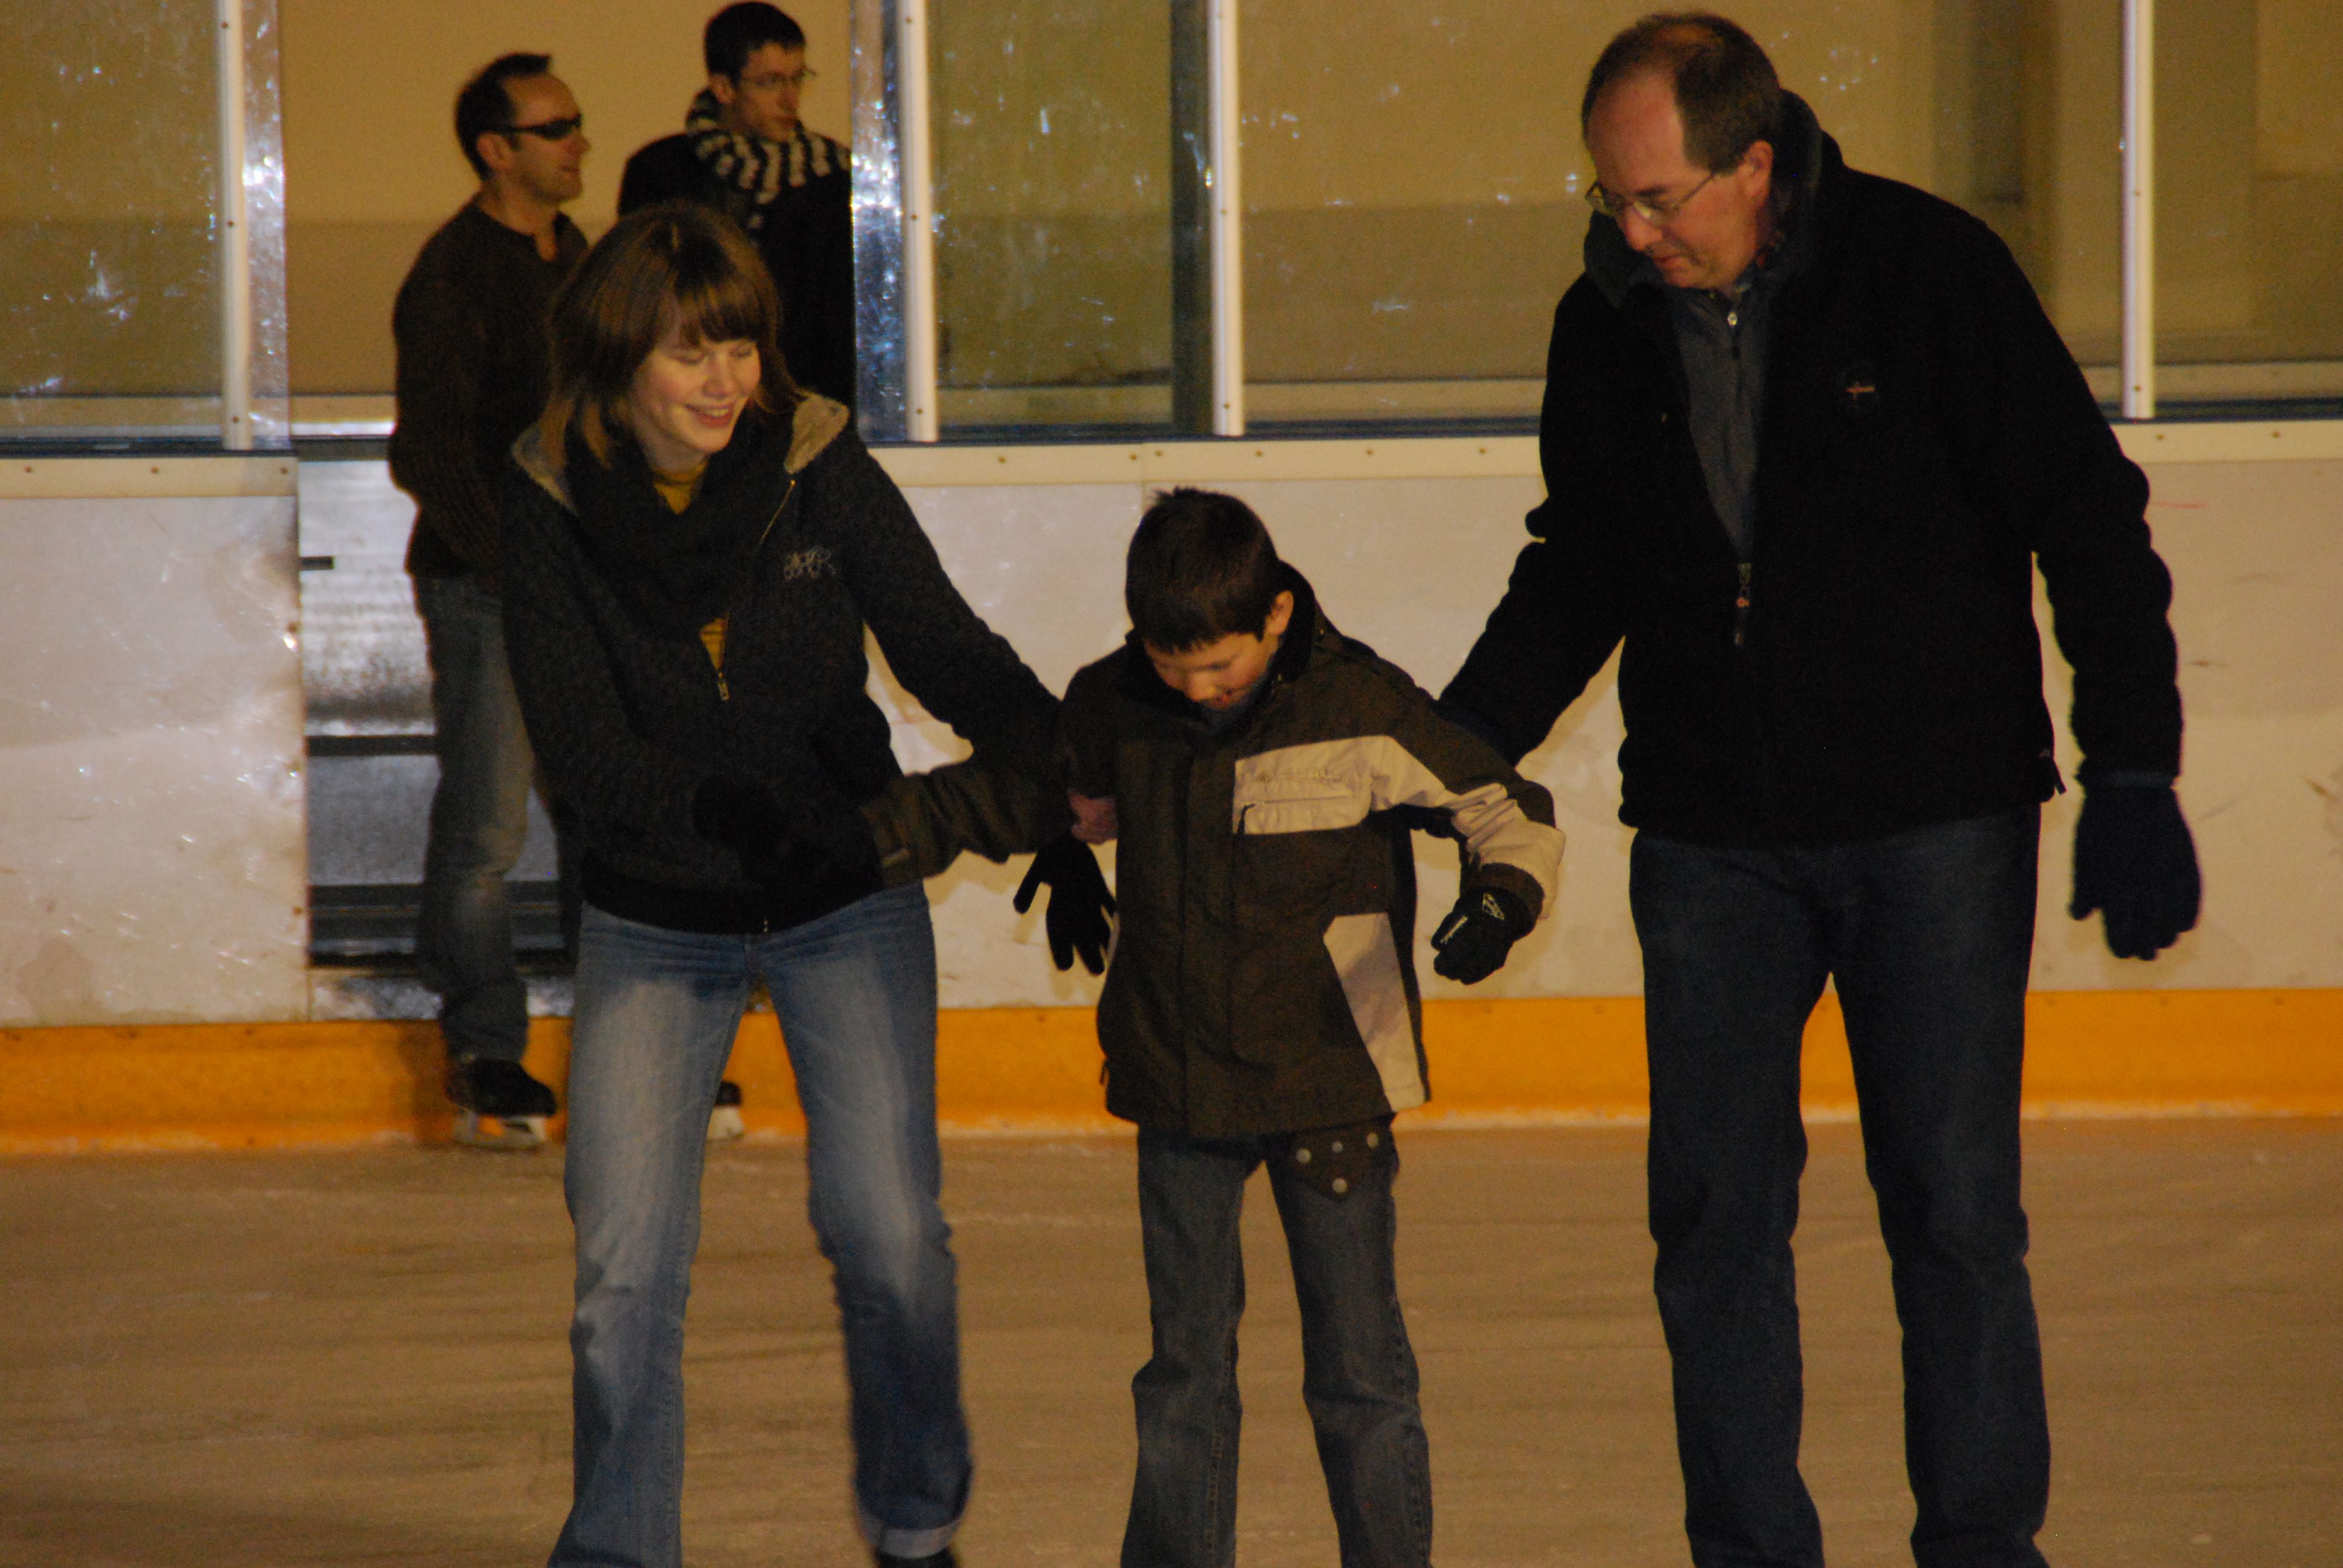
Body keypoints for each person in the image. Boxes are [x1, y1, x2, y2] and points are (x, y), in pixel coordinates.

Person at [1438, 14, 2201, 1568]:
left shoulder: (1930, 273)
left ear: (1757, 163)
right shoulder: (1607, 321)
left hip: (1937, 824)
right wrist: (1450, 754)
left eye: (1659, 198)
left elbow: (2090, 518)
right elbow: (1575, 569)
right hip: (1714, 843)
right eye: (1612, 199)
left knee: (1954, 1211)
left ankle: (1981, 1543)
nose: (1633, 231)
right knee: (1714, 1222)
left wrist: (2132, 763)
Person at [497, 201, 1092, 1568]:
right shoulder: (544, 497)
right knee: (622, 1277)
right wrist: (713, 807)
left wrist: (1067, 773)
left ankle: (915, 1519)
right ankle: (620, 1548)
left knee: (889, 1241)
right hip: (654, 914)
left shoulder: (816, 460)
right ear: (617, 358)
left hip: (840, 893)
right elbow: (583, 748)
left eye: (742, 348)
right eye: (690, 352)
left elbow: (945, 644)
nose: (725, 382)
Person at [863, 488, 1565, 1568]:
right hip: (1180, 1081)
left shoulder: (1359, 706)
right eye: (1171, 663)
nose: (1197, 689)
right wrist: (867, 837)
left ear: (1276, 613)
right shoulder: (1116, 703)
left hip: (1330, 1081)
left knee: (1360, 1374)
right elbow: (1019, 792)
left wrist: (1506, 893)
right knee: (1184, 1375)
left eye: (1221, 667)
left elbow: (1500, 803)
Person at [388, 51, 589, 1150]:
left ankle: (633, 1038)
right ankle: (485, 1049)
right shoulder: (455, 275)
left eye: (576, 123)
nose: (577, 144)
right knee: (488, 827)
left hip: (584, 589)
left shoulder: (581, 261)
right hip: (489, 590)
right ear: (496, 149)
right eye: (554, 128)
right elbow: (428, 449)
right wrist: (515, 567)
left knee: (606, 809)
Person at [619, 2, 856, 406]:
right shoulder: (660, 172)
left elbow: (842, 324)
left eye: (798, 80)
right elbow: (640, 305)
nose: (790, 99)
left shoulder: (831, 178)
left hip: (802, 400)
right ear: (724, 87)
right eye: (769, 83)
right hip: (692, 396)